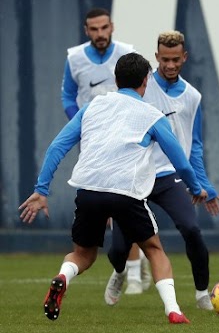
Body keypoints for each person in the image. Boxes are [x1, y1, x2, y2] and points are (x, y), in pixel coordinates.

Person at [19, 53, 206, 323]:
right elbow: (180, 161)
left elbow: (58, 146)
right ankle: (173, 309)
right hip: (126, 193)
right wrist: (195, 187)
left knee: (83, 254)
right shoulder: (152, 115)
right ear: (146, 80)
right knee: (154, 250)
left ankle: (63, 276)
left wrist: (42, 189)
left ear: (116, 80)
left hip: (88, 191)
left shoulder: (92, 106)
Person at [104, 30, 219, 310]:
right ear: (156, 57)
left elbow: (194, 147)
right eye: (164, 59)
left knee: (192, 229)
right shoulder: (139, 88)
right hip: (133, 178)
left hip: (169, 176)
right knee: (119, 249)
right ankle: (120, 271)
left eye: (175, 59)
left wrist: (204, 185)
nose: (170, 65)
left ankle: (202, 293)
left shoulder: (193, 97)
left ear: (185, 58)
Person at [61, 7, 151, 291]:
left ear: (111, 26)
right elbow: (66, 95)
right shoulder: (74, 58)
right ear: (86, 31)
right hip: (95, 139)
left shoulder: (126, 53)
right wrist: (82, 123)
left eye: (104, 28)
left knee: (125, 200)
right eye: (94, 29)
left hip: (125, 139)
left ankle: (134, 273)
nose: (100, 34)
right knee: (109, 205)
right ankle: (129, 268)